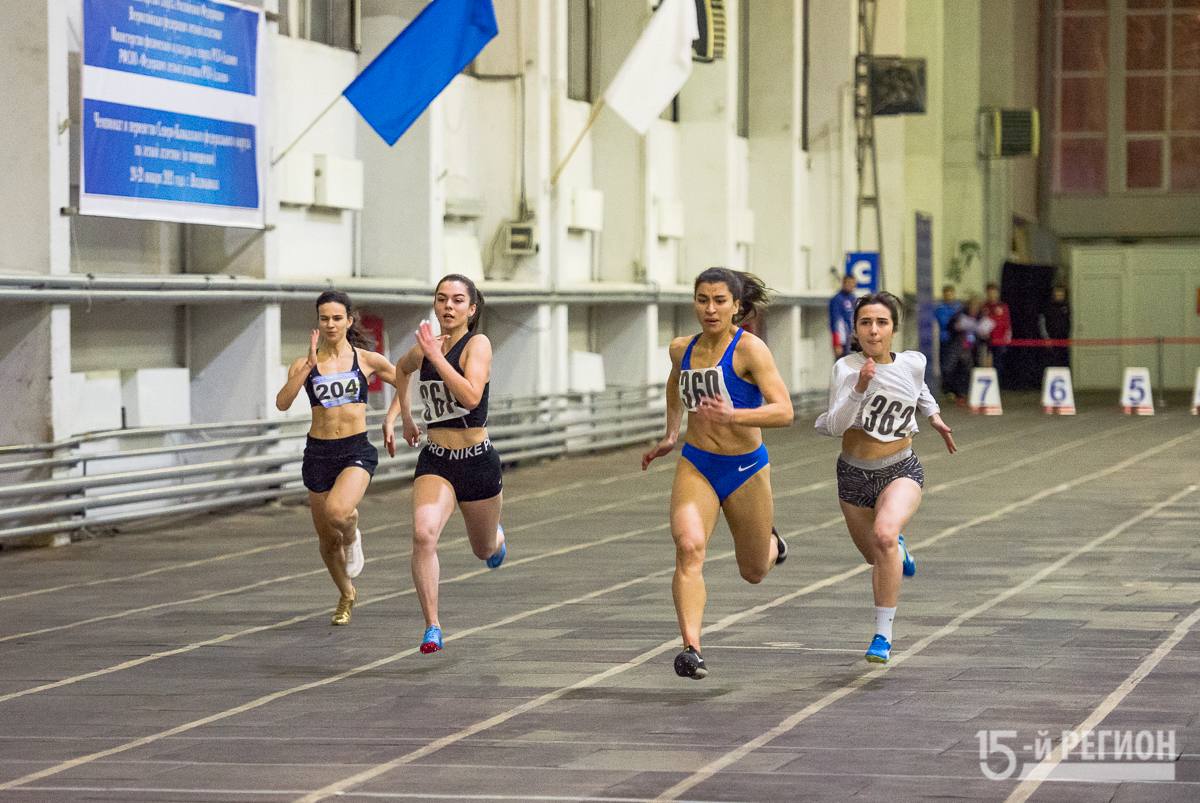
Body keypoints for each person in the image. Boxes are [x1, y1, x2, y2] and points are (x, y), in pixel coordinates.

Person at [642, 267, 795, 680]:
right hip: (698, 463)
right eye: (702, 300)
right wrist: (672, 434)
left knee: (753, 572)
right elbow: (675, 385)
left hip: (746, 468)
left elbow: (785, 411)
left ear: (737, 307)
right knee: (689, 547)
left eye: (719, 301)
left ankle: (772, 544)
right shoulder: (680, 348)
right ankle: (692, 648)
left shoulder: (751, 351)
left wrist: (736, 414)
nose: (709, 309)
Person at [815, 292, 956, 664]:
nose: (874, 331)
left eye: (882, 323)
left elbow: (919, 386)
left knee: (883, 536)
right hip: (853, 475)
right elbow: (833, 426)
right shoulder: (845, 369)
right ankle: (897, 546)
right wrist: (860, 388)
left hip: (900, 467)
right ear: (856, 329)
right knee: (876, 557)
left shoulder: (913, 362)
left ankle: (883, 635)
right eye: (865, 323)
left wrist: (934, 415)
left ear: (894, 328)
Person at [383, 274, 505, 655]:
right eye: (441, 299)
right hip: (437, 459)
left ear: (471, 309)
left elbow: (470, 396)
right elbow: (400, 370)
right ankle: (432, 625)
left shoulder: (477, 344)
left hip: (476, 462)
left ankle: (496, 539)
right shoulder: (425, 347)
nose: (447, 306)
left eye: (456, 300)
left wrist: (437, 358)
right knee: (423, 534)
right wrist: (401, 416)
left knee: (482, 550)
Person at [275, 290, 396, 626]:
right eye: (324, 318)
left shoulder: (367, 360)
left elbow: (404, 379)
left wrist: (393, 419)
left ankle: (353, 532)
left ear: (349, 320)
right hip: (318, 453)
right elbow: (282, 403)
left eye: (337, 318)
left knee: (338, 512)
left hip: (355, 449)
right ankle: (346, 593)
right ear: (318, 322)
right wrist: (308, 368)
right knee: (328, 541)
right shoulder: (303, 364)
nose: (330, 324)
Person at [933, 285, 962, 396]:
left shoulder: (959, 307)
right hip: (945, 339)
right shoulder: (940, 308)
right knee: (946, 365)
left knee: (957, 364)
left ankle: (956, 389)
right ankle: (947, 389)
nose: (949, 296)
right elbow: (944, 322)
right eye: (946, 294)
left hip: (958, 339)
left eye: (951, 294)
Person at [982, 282, 1011, 385]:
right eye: (990, 293)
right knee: (986, 362)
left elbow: (1006, 323)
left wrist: (1006, 337)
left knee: (998, 363)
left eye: (994, 293)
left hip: (999, 340)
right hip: (987, 340)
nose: (992, 295)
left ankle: (997, 384)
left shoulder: (1003, 306)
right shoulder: (984, 306)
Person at [1039, 284, 1071, 369]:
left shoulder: (1066, 307)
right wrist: (1046, 338)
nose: (1059, 296)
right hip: (1051, 340)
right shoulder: (1047, 307)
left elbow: (1068, 323)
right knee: (1052, 363)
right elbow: (1042, 323)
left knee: (1064, 364)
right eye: (1057, 293)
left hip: (1064, 341)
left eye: (1061, 294)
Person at [829, 273, 858, 360]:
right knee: (842, 365)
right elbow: (835, 322)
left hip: (852, 339)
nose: (850, 285)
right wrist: (836, 343)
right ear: (843, 283)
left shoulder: (853, 298)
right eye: (848, 283)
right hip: (842, 340)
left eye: (853, 283)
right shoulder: (837, 299)